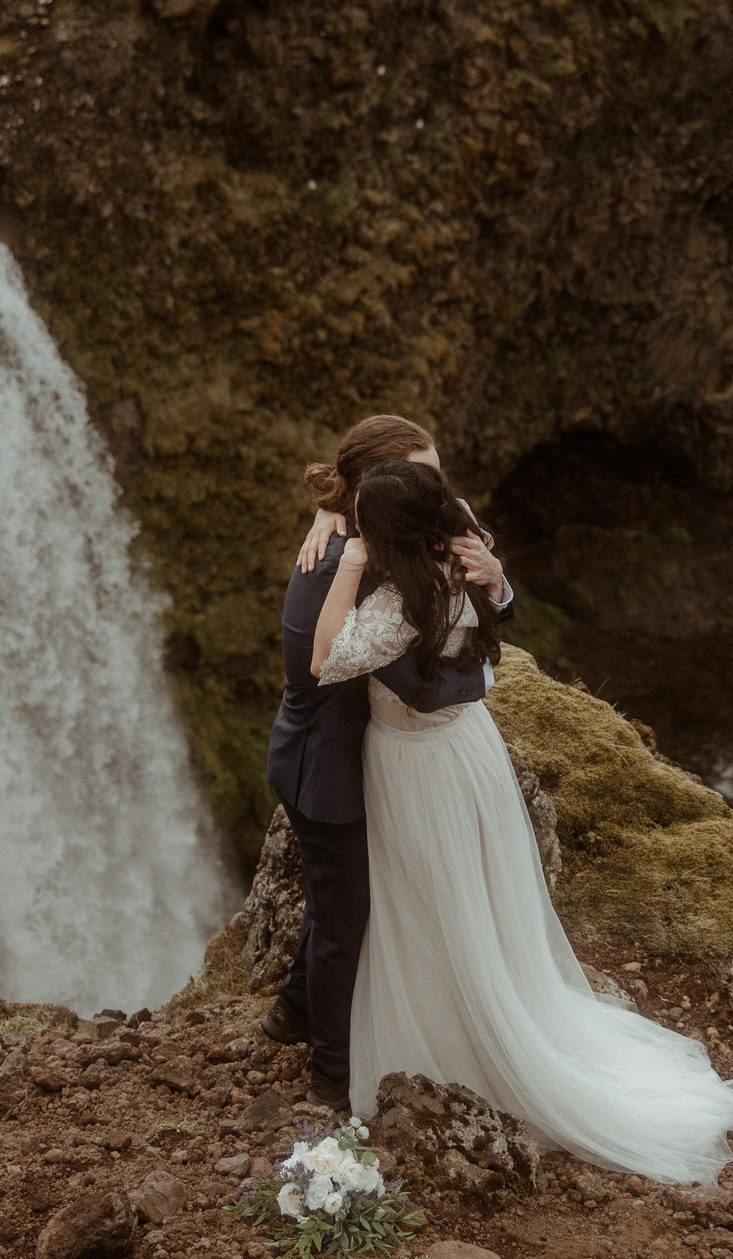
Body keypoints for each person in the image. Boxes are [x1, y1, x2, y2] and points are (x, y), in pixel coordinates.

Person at [315, 458, 733, 1184]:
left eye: (364, 520)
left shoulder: (400, 598)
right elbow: (490, 596)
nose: (355, 527)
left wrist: (349, 563)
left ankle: (455, 1050)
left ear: (386, 533)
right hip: (467, 748)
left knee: (431, 905)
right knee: (466, 898)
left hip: (416, 765)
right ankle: (475, 1018)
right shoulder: (457, 558)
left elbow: (326, 656)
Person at [263, 415, 513, 1111]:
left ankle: (290, 1009)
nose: (443, 496)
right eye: (427, 478)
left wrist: (497, 584)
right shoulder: (329, 571)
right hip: (327, 765)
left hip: (378, 754)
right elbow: (385, 672)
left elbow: (471, 571)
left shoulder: (408, 519)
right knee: (347, 919)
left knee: (339, 900)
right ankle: (331, 1078)